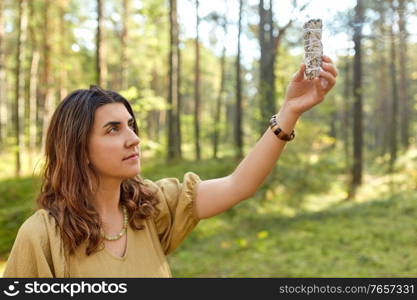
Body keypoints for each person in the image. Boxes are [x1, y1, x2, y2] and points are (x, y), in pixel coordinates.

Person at [3, 56, 337, 278]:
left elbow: (239, 185)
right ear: (78, 147)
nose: (133, 139)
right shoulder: (42, 237)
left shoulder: (150, 206)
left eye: (131, 125)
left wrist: (290, 111)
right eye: (113, 129)